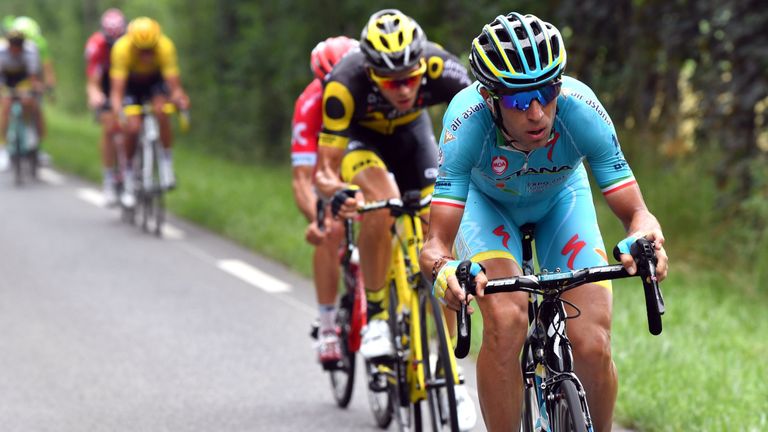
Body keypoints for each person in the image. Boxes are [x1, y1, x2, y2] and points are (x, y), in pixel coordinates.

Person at [419, 12, 669, 431]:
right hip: (487, 206)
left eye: (547, 91)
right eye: (519, 100)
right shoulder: (465, 123)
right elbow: (434, 244)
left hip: (561, 202)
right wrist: (444, 272)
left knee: (591, 342)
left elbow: (637, 213)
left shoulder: (581, 108)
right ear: (491, 98)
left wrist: (645, 238)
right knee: (507, 318)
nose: (537, 112)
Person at [314, 9, 477, 429]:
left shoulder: (442, 65)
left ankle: (453, 375)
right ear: (371, 74)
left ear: (423, 65)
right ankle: (379, 318)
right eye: (391, 82)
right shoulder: (344, 84)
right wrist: (338, 192)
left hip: (413, 141)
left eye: (411, 77)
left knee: (438, 227)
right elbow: (325, 170)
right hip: (360, 144)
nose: (404, 89)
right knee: (382, 202)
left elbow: (486, 113)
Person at [290, 36, 358, 366]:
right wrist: (317, 218)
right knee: (329, 231)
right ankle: (328, 325)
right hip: (326, 173)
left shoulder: (372, 91)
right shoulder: (309, 104)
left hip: (366, 164)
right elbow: (302, 178)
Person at [109, 17, 190, 207]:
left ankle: (166, 163)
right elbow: (117, 91)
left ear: (157, 42)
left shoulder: (165, 47)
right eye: (141, 49)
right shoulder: (121, 49)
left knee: (163, 112)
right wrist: (118, 111)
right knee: (133, 127)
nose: (146, 54)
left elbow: (174, 84)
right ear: (132, 42)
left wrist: (180, 98)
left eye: (150, 48)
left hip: (155, 82)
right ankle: (128, 174)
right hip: (131, 85)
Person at [85, 8, 127, 206]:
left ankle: (135, 169)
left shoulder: (131, 42)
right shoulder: (96, 44)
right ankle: (109, 178)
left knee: (134, 124)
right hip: (106, 83)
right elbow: (93, 78)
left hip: (129, 82)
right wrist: (96, 95)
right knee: (109, 127)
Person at [0, 28, 43, 170]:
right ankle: (3, 147)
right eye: (13, 45)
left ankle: (31, 133)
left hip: (24, 80)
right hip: (6, 79)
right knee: (5, 106)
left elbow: (33, 77)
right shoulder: (1, 52)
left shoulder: (30, 51)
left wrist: (35, 89)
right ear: (8, 44)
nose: (16, 49)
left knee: (29, 102)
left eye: (19, 45)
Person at [12, 16, 55, 94]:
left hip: (32, 75)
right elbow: (47, 65)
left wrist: (49, 83)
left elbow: (46, 65)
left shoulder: (40, 43)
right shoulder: (39, 42)